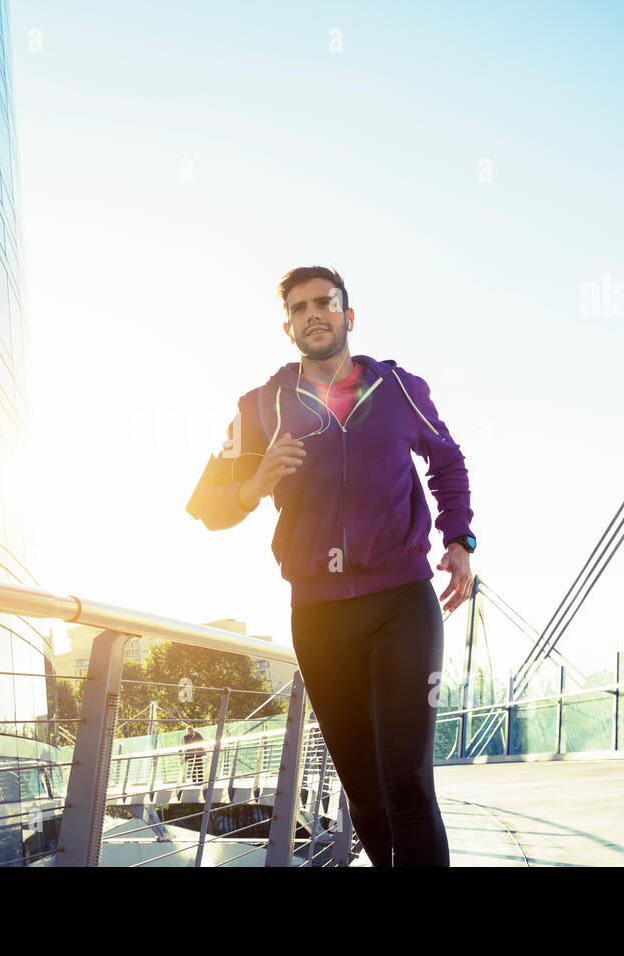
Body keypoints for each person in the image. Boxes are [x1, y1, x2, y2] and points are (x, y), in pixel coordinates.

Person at [184, 265, 476, 867]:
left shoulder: (397, 390)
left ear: (348, 316)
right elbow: (207, 505)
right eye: (299, 307)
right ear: (287, 325)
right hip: (318, 616)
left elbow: (446, 460)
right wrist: (255, 484)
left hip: (402, 600)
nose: (312, 313)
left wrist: (458, 540)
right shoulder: (259, 407)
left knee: (409, 783)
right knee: (365, 792)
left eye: (324, 302)